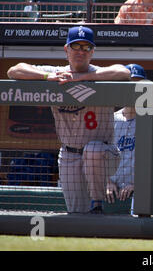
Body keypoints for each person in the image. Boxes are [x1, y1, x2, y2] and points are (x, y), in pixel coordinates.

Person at [6, 26, 131, 214]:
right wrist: (48, 77)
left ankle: (97, 203)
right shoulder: (57, 73)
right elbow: (14, 70)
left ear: (92, 52)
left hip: (104, 153)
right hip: (70, 155)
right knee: (76, 212)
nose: (81, 51)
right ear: (66, 50)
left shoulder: (98, 73)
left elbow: (124, 72)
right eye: (76, 46)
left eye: (86, 47)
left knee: (93, 149)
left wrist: (81, 78)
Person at [106, 64, 153, 214]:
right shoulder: (109, 121)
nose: (134, 89)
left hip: (147, 197)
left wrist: (144, 185)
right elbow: (97, 162)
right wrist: (105, 182)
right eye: (129, 84)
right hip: (112, 195)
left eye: (138, 85)